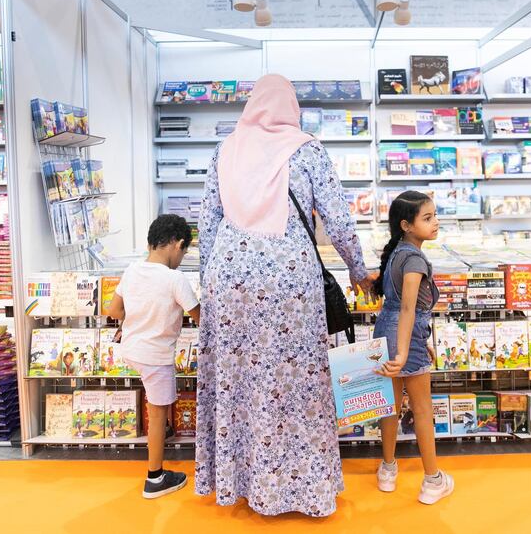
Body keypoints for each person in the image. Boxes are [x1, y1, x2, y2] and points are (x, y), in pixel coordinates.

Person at [195, 73, 376, 517]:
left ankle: (245, 484)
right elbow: (337, 218)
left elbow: (207, 224)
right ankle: (303, 489)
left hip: (230, 280)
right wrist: (357, 268)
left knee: (240, 380)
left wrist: (210, 285)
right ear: (289, 106)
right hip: (290, 283)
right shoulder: (307, 149)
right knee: (297, 382)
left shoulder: (225, 149)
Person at [107, 214, 201, 499]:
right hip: (156, 357)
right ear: (178, 244)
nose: (181, 258)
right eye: (183, 253)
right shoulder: (175, 278)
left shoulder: (132, 270)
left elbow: (113, 311)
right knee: (158, 413)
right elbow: (200, 316)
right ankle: (155, 477)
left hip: (132, 349)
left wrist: (134, 323)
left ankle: (160, 452)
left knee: (159, 404)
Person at [373, 190, 455, 505]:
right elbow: (409, 310)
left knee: (389, 408)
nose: (436, 222)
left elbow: (400, 309)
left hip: (387, 332)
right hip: (404, 336)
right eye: (428, 217)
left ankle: (387, 470)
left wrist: (417, 345)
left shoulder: (396, 252)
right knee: (422, 410)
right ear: (407, 224)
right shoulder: (415, 259)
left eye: (434, 215)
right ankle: (433, 480)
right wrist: (407, 352)